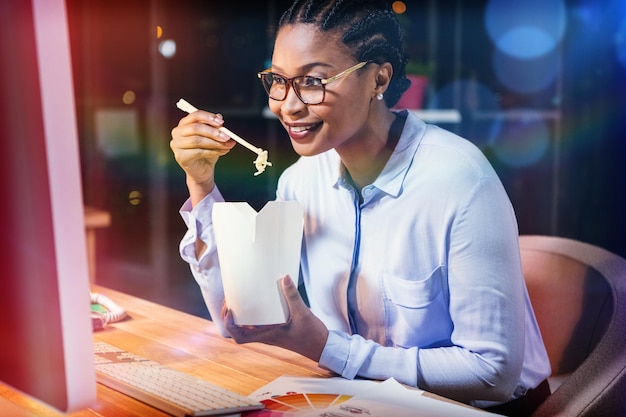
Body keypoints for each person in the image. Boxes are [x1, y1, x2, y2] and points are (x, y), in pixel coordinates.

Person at [170, 0, 551, 415]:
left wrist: (325, 347)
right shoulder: (300, 181)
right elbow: (240, 319)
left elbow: (492, 373)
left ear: (378, 79)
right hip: (359, 401)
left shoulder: (460, 180)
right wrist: (201, 182)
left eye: (313, 80)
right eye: (277, 80)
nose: (288, 104)